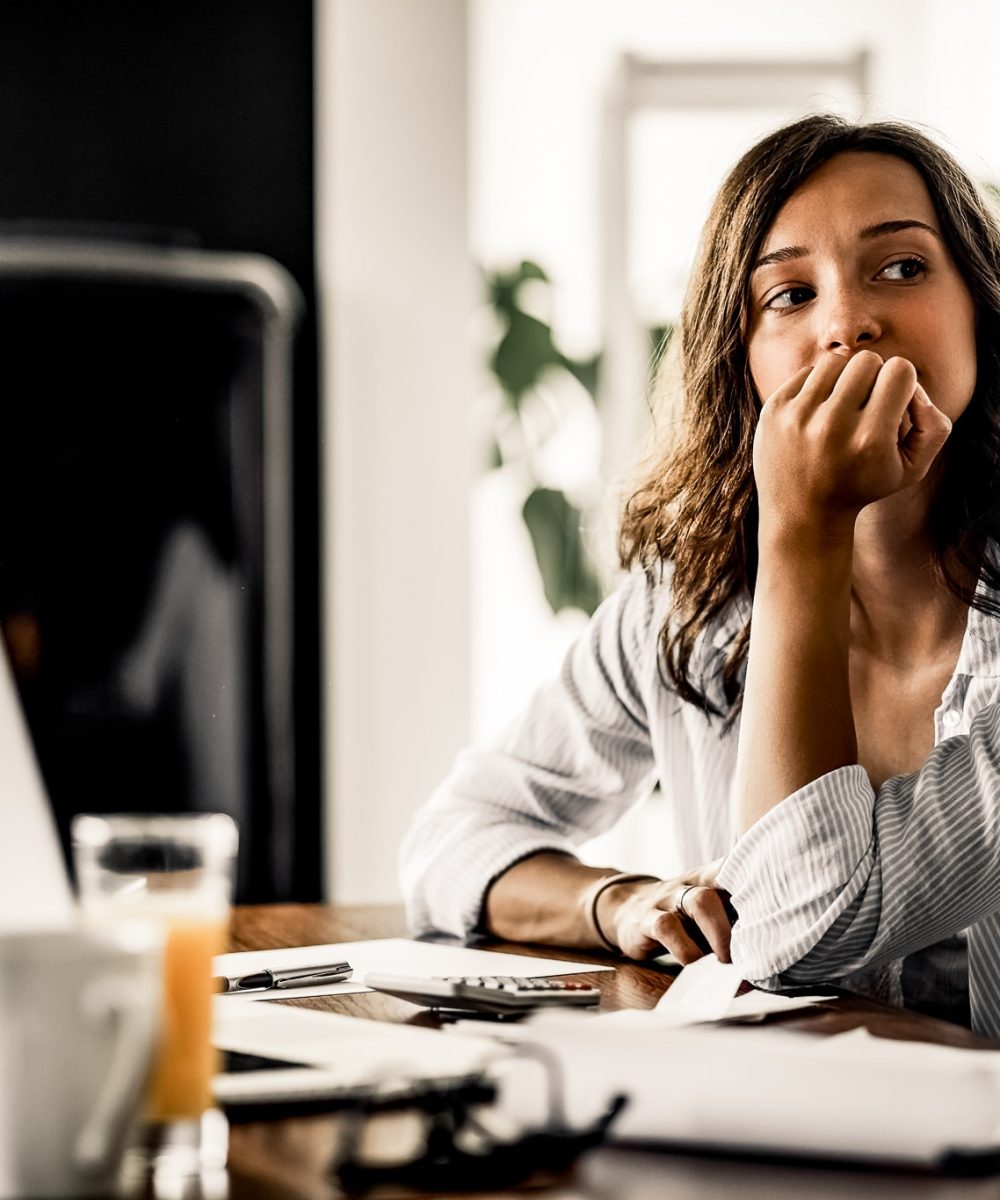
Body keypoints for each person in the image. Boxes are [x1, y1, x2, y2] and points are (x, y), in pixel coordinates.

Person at [400, 112, 1000, 1028]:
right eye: (789, 296)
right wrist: (621, 903)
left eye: (903, 267)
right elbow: (450, 843)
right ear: (742, 357)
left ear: (983, 307)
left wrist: (803, 526)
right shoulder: (690, 602)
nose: (848, 322)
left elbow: (803, 939)